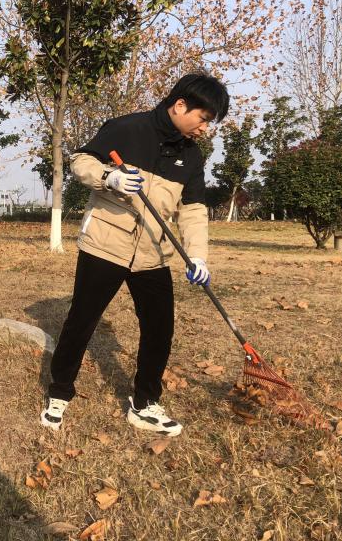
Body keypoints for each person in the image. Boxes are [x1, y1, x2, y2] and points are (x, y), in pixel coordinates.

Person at [40, 72, 229, 437]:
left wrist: (198, 256)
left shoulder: (191, 156)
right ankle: (59, 392)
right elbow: (81, 161)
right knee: (82, 320)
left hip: (152, 252)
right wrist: (108, 176)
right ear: (180, 106)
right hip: (105, 244)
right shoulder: (126, 128)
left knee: (160, 329)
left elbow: (193, 210)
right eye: (204, 118)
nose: (205, 128)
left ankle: (144, 404)